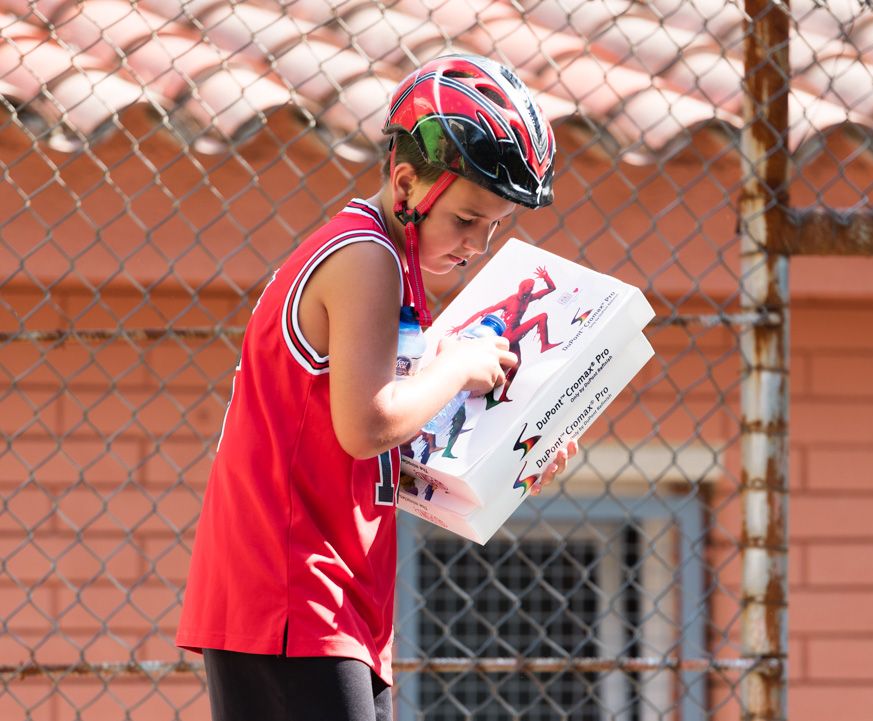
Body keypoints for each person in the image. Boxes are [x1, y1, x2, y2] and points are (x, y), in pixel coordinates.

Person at [175, 54, 577, 721]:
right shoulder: (366, 259)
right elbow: (367, 426)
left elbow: (388, 450)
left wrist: (518, 446)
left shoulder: (394, 266)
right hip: (292, 593)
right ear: (406, 183)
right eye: (467, 218)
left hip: (325, 600)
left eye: (495, 226)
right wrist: (455, 367)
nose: (478, 245)